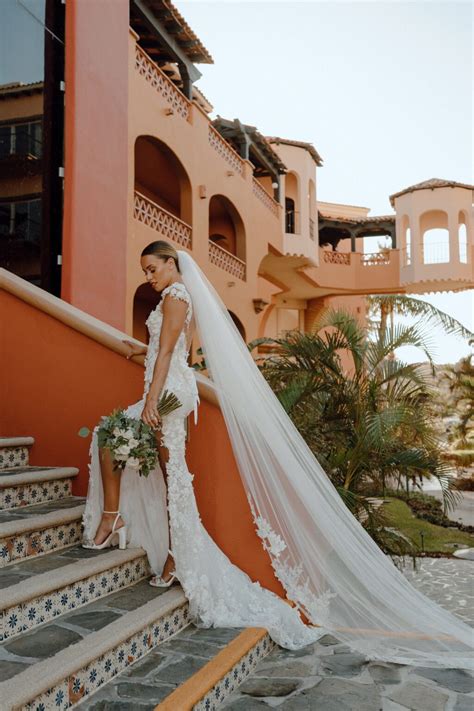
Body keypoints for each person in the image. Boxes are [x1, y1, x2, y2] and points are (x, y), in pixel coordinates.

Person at [81, 240, 473, 667]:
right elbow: (169, 350)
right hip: (175, 387)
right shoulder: (178, 298)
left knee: (133, 449)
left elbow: (173, 356)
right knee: (166, 471)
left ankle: (137, 533)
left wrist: (154, 398)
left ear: (172, 265)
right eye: (145, 272)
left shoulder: (176, 297)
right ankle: (166, 551)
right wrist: (142, 351)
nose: (149, 277)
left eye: (152, 269)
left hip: (170, 392)